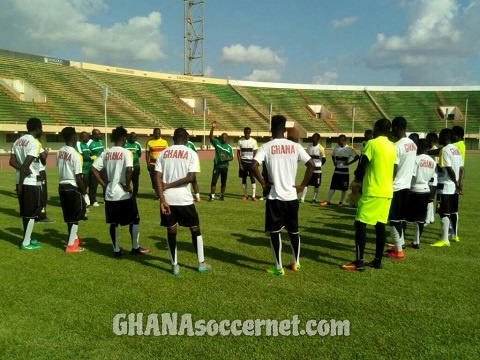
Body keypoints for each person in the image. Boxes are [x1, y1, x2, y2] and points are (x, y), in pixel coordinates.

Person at [251, 115, 314, 276]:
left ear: (271, 129)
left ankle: (278, 267)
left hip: (275, 197)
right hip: (292, 197)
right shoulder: (295, 146)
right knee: (294, 232)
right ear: (285, 130)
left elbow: (253, 165)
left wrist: (263, 183)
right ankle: (296, 263)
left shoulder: (266, 147)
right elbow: (311, 165)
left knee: (275, 232)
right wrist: (302, 186)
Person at [155, 127, 211, 275]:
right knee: (195, 229)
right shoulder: (191, 153)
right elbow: (191, 177)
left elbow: (157, 178)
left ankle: (175, 266)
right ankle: (201, 263)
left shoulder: (163, 154)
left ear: (173, 138)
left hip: (167, 199)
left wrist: (162, 199)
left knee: (171, 230)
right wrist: (170, 184)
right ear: (186, 138)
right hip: (184, 199)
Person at [342, 119, 397, 271]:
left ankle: (359, 262)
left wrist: (357, 180)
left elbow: (362, 167)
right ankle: (377, 261)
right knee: (380, 226)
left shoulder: (372, 143)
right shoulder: (392, 146)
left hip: (372, 190)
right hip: (387, 192)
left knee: (360, 223)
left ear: (377, 128)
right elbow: (394, 170)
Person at [91, 126, 150, 256]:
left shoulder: (106, 152)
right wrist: (128, 186)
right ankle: (135, 247)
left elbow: (94, 169)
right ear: (124, 138)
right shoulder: (125, 152)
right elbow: (129, 170)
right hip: (123, 193)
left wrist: (104, 185)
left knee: (114, 223)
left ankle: (116, 250)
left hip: (110, 192)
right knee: (135, 219)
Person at [9, 117, 44, 250]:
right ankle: (26, 243)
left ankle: (27, 237)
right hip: (29, 182)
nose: (42, 130)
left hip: (19, 179)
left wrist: (20, 176)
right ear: (37, 128)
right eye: (41, 128)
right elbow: (26, 164)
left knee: (25, 212)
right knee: (31, 213)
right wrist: (21, 184)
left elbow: (12, 162)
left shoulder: (18, 141)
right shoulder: (34, 143)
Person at [387, 116, 417, 260]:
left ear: (397, 128)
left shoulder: (396, 146)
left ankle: (398, 251)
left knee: (393, 219)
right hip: (406, 185)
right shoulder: (413, 144)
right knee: (399, 218)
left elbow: (394, 168)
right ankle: (400, 243)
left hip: (396, 186)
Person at [57, 127, 87, 253]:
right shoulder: (76, 154)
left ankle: (74, 238)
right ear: (74, 137)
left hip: (62, 185)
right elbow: (79, 177)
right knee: (75, 216)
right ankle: (71, 245)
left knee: (69, 216)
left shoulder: (59, 151)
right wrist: (85, 193)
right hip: (72, 186)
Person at [431, 128, 464, 247]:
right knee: (454, 211)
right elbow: (461, 168)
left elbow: (449, 169)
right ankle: (455, 235)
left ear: (445, 137)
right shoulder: (456, 150)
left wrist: (455, 182)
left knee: (443, 212)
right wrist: (460, 183)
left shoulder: (445, 150)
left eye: (440, 136)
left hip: (445, 186)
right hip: (454, 188)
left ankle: (445, 239)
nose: (438, 138)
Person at [405, 139, 436, 249]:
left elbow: (412, 175)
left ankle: (401, 241)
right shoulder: (432, 161)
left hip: (414, 189)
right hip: (426, 189)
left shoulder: (416, 159)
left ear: (417, 147)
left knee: (406, 217)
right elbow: (432, 178)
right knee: (420, 218)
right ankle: (416, 241)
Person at [320, 134, 358, 206]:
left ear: (343, 140)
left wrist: (349, 163)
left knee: (344, 188)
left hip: (344, 172)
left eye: (339, 140)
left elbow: (357, 157)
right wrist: (334, 162)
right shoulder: (336, 148)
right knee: (333, 186)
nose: (337, 141)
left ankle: (341, 202)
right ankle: (328, 201)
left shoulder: (349, 149)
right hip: (336, 170)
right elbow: (333, 155)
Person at [209, 121, 234, 201]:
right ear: (220, 138)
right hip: (217, 166)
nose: (224, 139)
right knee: (213, 182)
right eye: (222, 137)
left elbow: (232, 157)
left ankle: (222, 195)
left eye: (225, 138)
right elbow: (211, 137)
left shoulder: (229, 147)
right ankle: (212, 196)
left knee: (223, 182)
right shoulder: (217, 143)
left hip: (224, 167)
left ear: (227, 138)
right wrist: (212, 127)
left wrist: (225, 159)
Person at [299, 133, 326, 204]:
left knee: (316, 184)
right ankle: (302, 198)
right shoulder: (309, 147)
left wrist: (319, 165)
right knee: (306, 183)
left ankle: (314, 199)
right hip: (310, 168)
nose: (312, 139)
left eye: (313, 138)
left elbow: (324, 159)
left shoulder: (321, 148)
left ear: (317, 139)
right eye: (312, 138)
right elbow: (307, 157)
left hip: (317, 170)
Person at [145, 128, 169, 199]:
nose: (157, 134)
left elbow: (167, 153)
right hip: (153, 164)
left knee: (163, 179)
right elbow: (147, 154)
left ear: (160, 133)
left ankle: (163, 194)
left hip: (162, 165)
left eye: (158, 133)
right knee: (154, 180)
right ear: (153, 133)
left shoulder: (164, 142)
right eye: (156, 133)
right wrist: (148, 164)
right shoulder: (149, 142)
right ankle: (157, 195)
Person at [237, 127, 259, 201]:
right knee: (244, 179)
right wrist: (240, 164)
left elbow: (255, 152)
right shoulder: (240, 141)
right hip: (243, 162)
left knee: (253, 178)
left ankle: (253, 196)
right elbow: (238, 153)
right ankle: (245, 195)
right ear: (244, 132)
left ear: (250, 133)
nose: (247, 134)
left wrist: (255, 163)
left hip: (251, 163)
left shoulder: (253, 141)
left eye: (248, 133)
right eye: (245, 133)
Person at [37, 146, 55, 223]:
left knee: (36, 193)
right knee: (42, 194)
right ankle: (41, 215)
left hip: (32, 172)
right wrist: (46, 152)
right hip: (40, 172)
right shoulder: (36, 145)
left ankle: (33, 214)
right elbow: (43, 159)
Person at [88, 129, 105, 207]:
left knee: (106, 182)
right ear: (94, 135)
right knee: (93, 184)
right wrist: (92, 157)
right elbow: (86, 154)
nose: (101, 135)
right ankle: (93, 200)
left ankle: (106, 198)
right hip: (94, 167)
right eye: (99, 134)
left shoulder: (100, 142)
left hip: (102, 166)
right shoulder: (89, 143)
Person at [76, 131, 93, 207]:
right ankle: (81, 202)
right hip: (82, 169)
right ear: (83, 137)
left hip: (88, 169)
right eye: (87, 137)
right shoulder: (78, 144)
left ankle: (84, 201)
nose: (88, 138)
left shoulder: (86, 145)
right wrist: (91, 158)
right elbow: (81, 155)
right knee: (82, 186)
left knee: (86, 185)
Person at [425, 132, 439, 225]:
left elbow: (435, 165)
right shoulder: (431, 150)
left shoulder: (435, 150)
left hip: (432, 177)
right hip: (430, 178)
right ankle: (431, 218)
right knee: (429, 199)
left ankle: (428, 219)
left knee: (429, 199)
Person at [124, 132, 143, 198]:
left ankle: (135, 195)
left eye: (135, 138)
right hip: (126, 166)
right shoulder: (125, 144)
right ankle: (127, 192)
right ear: (129, 137)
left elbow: (139, 154)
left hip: (136, 165)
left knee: (135, 181)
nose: (134, 139)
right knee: (126, 180)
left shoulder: (138, 145)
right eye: (133, 138)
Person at [185, 132, 201, 202]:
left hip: (190, 166)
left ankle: (197, 197)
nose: (188, 138)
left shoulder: (190, 144)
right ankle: (186, 196)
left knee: (193, 181)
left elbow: (196, 153)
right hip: (183, 166)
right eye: (187, 137)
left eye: (188, 137)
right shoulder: (180, 144)